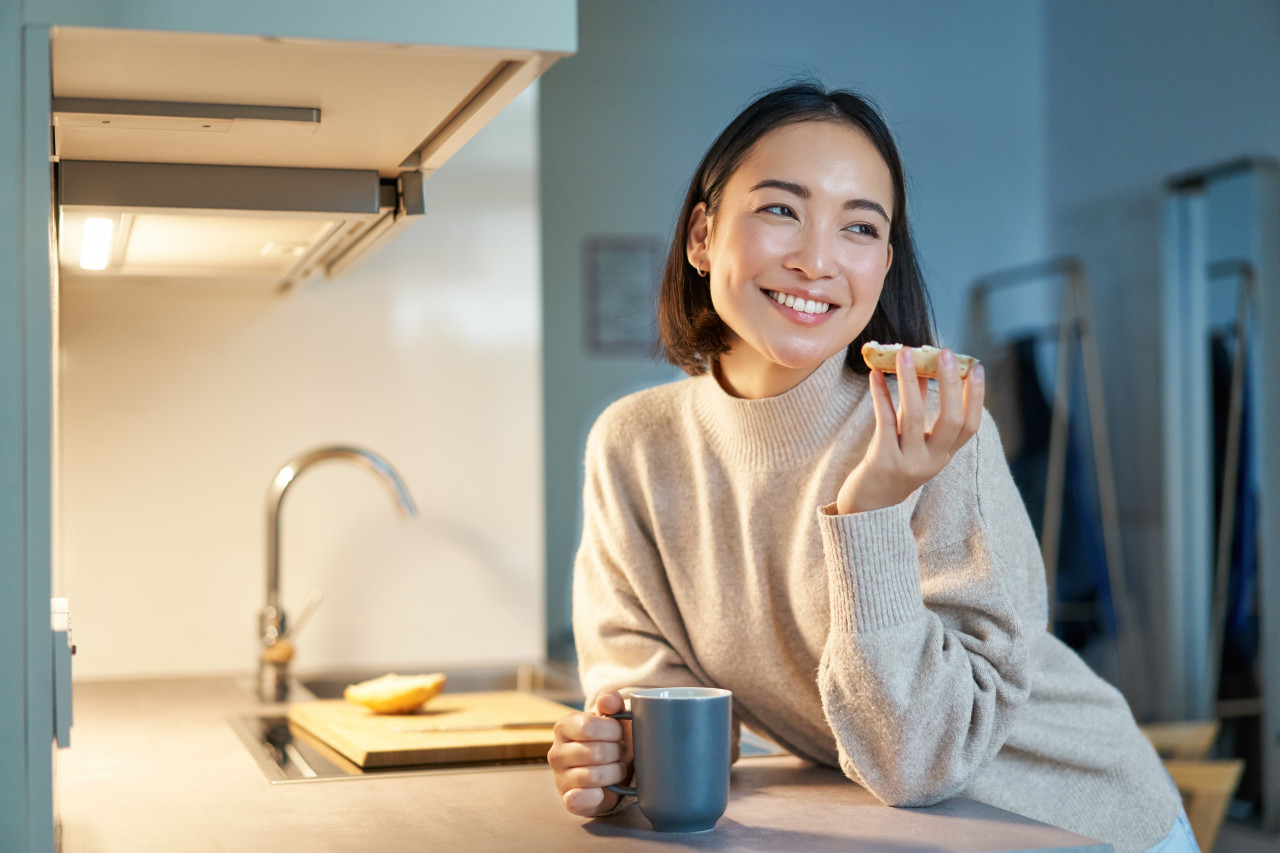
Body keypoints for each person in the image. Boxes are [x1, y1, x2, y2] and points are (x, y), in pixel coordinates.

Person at [546, 82, 1195, 853]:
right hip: (905, 832)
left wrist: (872, 510)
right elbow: (656, 689)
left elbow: (917, 759)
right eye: (781, 209)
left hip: (1074, 822)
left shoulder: (937, 431)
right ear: (701, 235)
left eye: (859, 227)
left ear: (883, 265)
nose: (817, 260)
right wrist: (623, 753)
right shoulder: (635, 445)